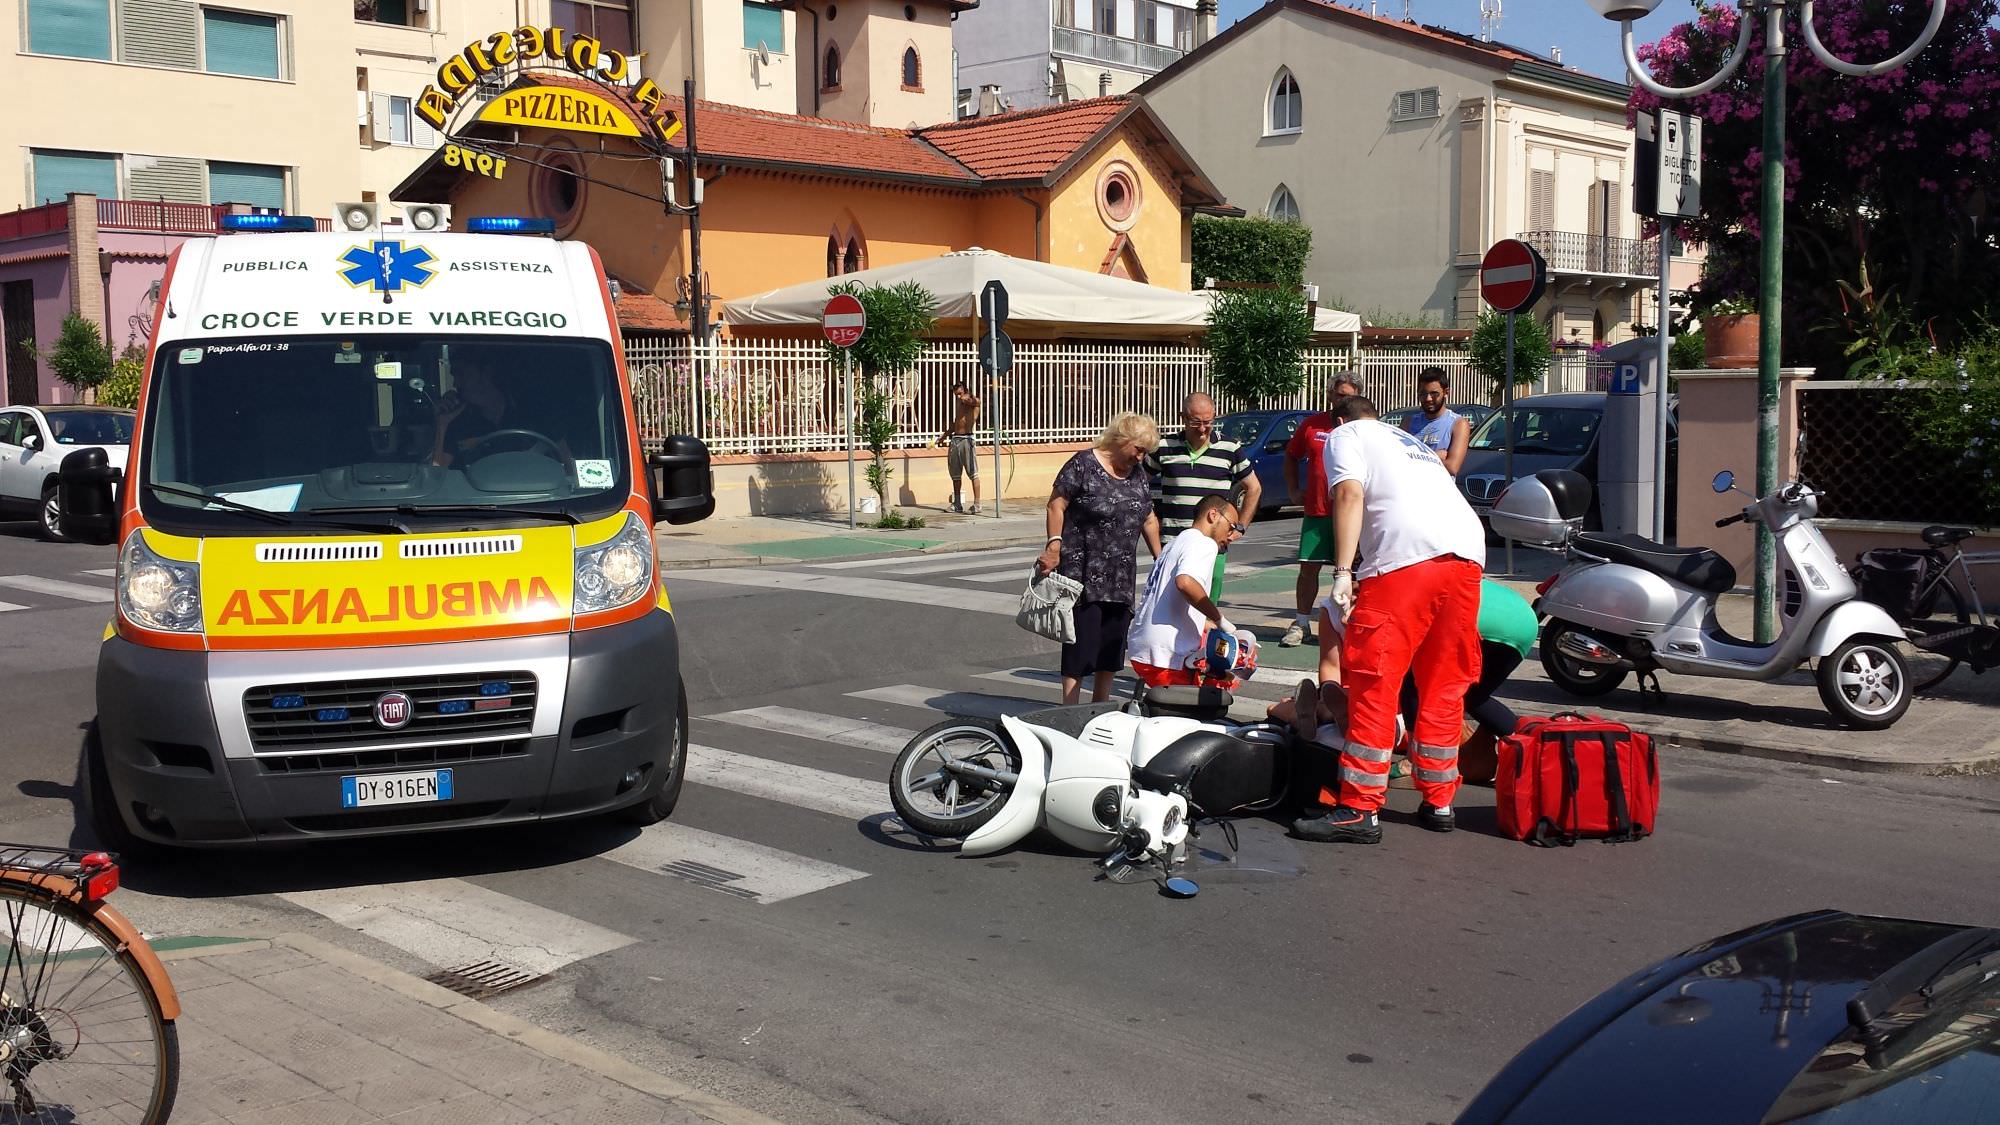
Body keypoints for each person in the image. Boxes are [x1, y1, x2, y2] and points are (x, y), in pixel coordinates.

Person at [1292, 394, 1485, 845]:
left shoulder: (1345, 434)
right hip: (1466, 559)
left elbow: (1348, 493)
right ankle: (1439, 801)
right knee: (1443, 683)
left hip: (1404, 561)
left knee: (1374, 681)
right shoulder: (1409, 441)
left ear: (1340, 419)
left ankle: (1359, 809)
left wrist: (1342, 571)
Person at [1037, 413, 1164, 705]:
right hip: (1084, 573)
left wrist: (1160, 559)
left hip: (1120, 576)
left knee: (1111, 646)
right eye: (1138, 449)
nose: (1141, 457)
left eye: (1146, 452)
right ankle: (1070, 709)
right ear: (1121, 440)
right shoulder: (1082, 464)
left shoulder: (1137, 474)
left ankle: (1100, 709)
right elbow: (1056, 505)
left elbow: (1148, 518)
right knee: (1080, 645)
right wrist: (1054, 545)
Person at [1146, 393, 1259, 603]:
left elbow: (1253, 488)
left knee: (1206, 606)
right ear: (1182, 417)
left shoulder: (1230, 448)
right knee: (1170, 604)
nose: (1202, 428)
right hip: (1173, 543)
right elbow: (1138, 485)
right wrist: (1151, 523)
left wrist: (1241, 526)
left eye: (1208, 422)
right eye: (1195, 422)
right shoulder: (1163, 447)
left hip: (1213, 545)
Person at [1280, 373, 1363, 649]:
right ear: (1330, 395)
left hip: (1350, 514)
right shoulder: (1312, 425)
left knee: (1352, 573)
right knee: (1308, 570)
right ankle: (1301, 623)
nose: (1343, 400)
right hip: (1317, 511)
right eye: (1339, 395)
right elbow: (1291, 455)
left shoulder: (1363, 427)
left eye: (1349, 396)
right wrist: (1293, 490)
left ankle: (1349, 624)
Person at [1127, 496, 1245, 687]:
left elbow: (1167, 594)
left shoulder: (1176, 543)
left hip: (1144, 648)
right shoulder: (1204, 544)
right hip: (1167, 654)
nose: (1231, 536)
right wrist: (1219, 619)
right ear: (1213, 515)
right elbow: (1185, 583)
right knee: (1187, 710)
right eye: (1231, 527)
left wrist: (1204, 623)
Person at [432, 358, 519, 469]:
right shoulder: (459, 423)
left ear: (486, 373)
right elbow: (437, 470)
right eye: (455, 376)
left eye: (462, 374)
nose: (456, 383)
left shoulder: (525, 415)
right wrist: (442, 424)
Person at [1404, 367, 1472, 476]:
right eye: (1423, 393)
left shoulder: (1458, 424)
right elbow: (1398, 461)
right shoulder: (1408, 422)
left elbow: (1452, 467)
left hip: (1440, 491)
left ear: (1446, 392)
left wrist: (1414, 459)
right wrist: (1435, 456)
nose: (1428, 399)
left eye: (1434, 393)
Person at [935, 382, 983, 514]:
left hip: (967, 440)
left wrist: (966, 398)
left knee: (973, 473)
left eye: (960, 393)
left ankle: (977, 504)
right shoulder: (959, 403)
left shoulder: (972, 402)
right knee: (955, 474)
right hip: (955, 440)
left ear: (965, 391)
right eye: (956, 394)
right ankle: (957, 504)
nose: (958, 397)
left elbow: (976, 401)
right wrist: (944, 436)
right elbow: (956, 422)